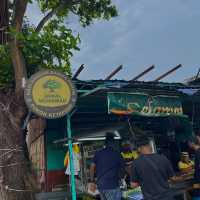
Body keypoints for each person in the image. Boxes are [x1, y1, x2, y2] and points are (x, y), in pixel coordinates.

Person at [89, 132, 125, 200]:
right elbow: (123, 167)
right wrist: (122, 177)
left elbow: (92, 167)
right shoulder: (117, 154)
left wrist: (92, 181)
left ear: (105, 143)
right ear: (113, 143)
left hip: (101, 186)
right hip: (112, 186)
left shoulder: (98, 153)